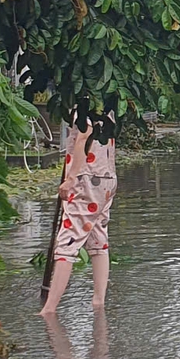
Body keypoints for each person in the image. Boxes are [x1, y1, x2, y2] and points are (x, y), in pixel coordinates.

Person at [40, 116, 116, 316]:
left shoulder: (85, 101)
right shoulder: (107, 102)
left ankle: (49, 310)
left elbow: (84, 135)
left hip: (87, 178)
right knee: (98, 240)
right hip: (107, 177)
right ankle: (98, 303)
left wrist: (71, 178)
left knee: (67, 242)